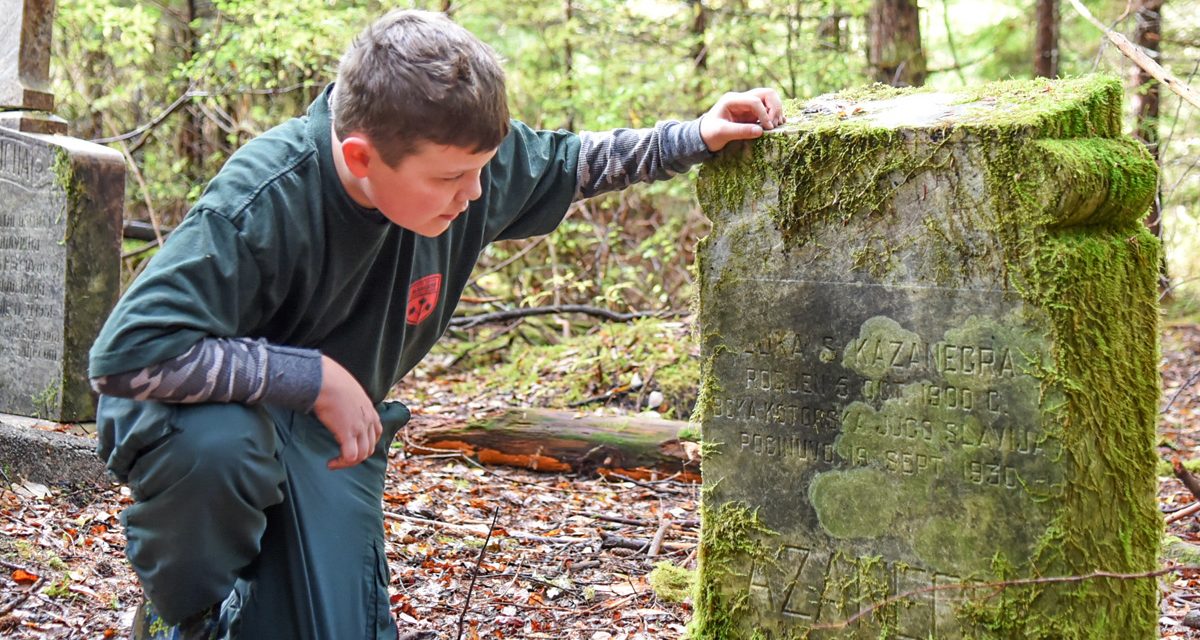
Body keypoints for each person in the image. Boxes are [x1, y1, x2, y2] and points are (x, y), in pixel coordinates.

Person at [89, 9, 784, 640]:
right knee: (221, 448)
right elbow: (126, 355)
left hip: (327, 438)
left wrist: (697, 135)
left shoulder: (460, 158)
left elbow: (575, 164)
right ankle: (183, 613)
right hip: (205, 420)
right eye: (453, 178)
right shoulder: (266, 199)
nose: (476, 194)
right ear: (360, 157)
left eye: (482, 169)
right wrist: (313, 375)